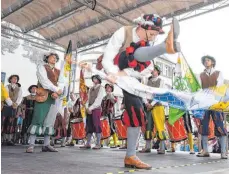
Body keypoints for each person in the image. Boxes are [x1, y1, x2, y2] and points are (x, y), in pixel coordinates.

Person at [99, 14, 180, 169]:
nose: (152, 37)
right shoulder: (123, 32)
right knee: (135, 52)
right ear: (143, 27)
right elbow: (107, 58)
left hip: (129, 77)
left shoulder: (148, 44)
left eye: (156, 35)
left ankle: (130, 156)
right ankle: (165, 47)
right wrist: (114, 73)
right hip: (114, 67)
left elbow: (148, 69)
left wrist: (126, 74)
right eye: (152, 34)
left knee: (136, 111)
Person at [26, 53, 62, 153]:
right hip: (43, 96)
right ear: (47, 58)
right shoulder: (42, 67)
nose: (54, 59)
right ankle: (31, 145)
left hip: (54, 97)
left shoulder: (59, 71)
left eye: (56, 58)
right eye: (52, 57)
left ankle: (46, 145)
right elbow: (44, 81)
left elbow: (62, 83)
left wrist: (57, 93)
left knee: (50, 121)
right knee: (38, 118)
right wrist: (56, 89)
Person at [196, 55, 227, 159]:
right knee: (203, 126)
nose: (206, 62)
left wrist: (210, 94)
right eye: (205, 61)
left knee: (219, 125)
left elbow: (219, 87)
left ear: (212, 62)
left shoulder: (218, 73)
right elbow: (199, 88)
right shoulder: (200, 75)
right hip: (204, 103)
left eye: (208, 60)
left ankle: (223, 152)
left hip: (215, 103)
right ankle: (205, 150)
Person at [139, 65, 167, 154]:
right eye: (152, 70)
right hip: (148, 105)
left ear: (158, 71)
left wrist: (151, 104)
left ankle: (162, 147)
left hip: (158, 105)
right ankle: (147, 146)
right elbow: (143, 92)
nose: (152, 71)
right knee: (148, 126)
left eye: (154, 70)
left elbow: (160, 94)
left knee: (159, 126)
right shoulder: (147, 80)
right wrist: (146, 103)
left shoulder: (161, 81)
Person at [80, 75, 105, 149]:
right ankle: (88, 143)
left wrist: (90, 108)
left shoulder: (101, 88)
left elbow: (98, 100)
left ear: (99, 79)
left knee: (97, 125)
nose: (94, 80)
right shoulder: (91, 88)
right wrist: (87, 108)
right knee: (89, 126)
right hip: (90, 108)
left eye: (95, 78)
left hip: (96, 109)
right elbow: (88, 99)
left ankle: (98, 144)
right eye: (93, 78)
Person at [2, 74, 23, 145]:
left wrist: (16, 104)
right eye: (13, 78)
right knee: (4, 122)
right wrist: (11, 103)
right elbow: (6, 96)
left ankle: (9, 139)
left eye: (16, 79)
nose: (15, 80)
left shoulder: (19, 88)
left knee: (11, 123)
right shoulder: (6, 87)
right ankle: (3, 139)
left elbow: (20, 97)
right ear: (10, 79)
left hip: (14, 108)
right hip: (6, 107)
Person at [101, 84, 118, 148]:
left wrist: (110, 94)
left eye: (108, 87)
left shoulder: (113, 95)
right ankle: (100, 143)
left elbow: (114, 101)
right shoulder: (104, 97)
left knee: (111, 127)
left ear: (111, 89)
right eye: (106, 87)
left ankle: (115, 143)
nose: (107, 88)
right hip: (103, 114)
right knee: (103, 127)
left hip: (110, 113)